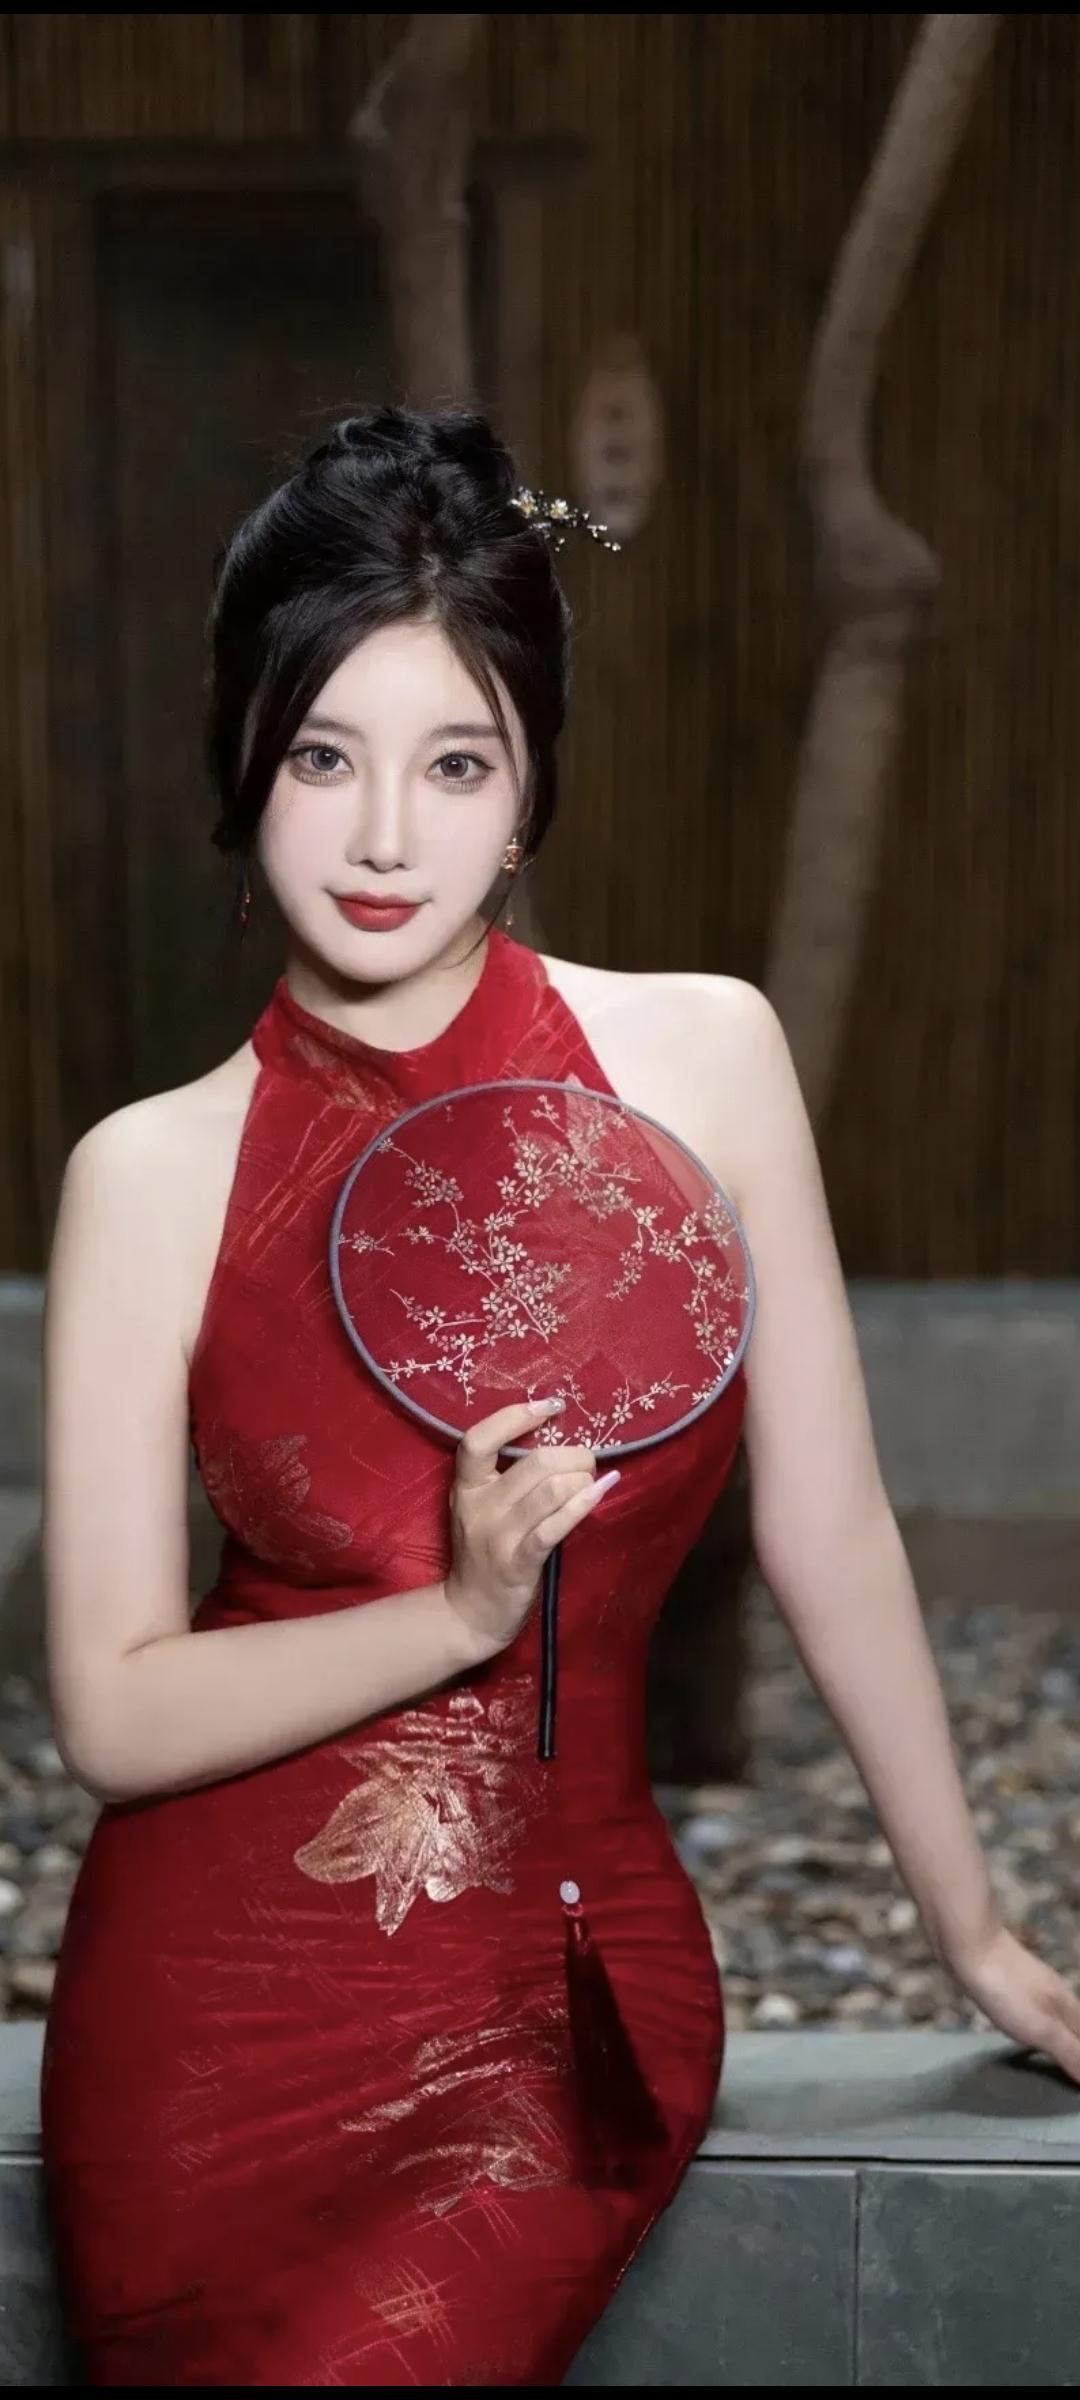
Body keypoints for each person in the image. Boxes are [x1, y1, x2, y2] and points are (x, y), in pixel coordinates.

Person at [39, 406, 1080, 2389]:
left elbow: (828, 1529)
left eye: (457, 763)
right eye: (323, 755)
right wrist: (454, 1614)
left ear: (528, 792)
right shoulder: (150, 1174)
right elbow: (114, 1704)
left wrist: (974, 1929)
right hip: (202, 2031)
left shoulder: (702, 1066)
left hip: (558, 2006)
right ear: (241, 752)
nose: (382, 836)